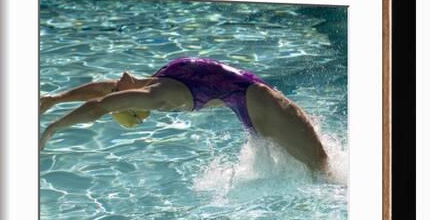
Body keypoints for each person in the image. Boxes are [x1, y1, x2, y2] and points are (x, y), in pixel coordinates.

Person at [40, 57, 329, 172]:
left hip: (254, 102)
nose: (116, 82)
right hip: (260, 103)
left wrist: (56, 100)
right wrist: (54, 128)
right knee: (322, 169)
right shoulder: (158, 96)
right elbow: (102, 104)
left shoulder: (153, 80)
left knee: (317, 166)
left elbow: (101, 94)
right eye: (118, 90)